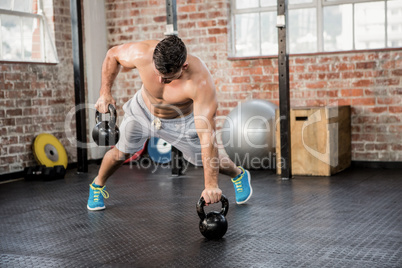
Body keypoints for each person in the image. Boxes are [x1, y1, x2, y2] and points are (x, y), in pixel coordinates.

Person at [87, 35, 252, 211]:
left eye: (168, 78)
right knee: (119, 154)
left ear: (184, 66)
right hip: (142, 109)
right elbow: (112, 55)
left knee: (208, 160)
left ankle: (238, 174)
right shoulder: (142, 53)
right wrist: (105, 92)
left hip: (181, 121)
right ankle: (97, 186)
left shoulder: (200, 82)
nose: (161, 81)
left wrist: (211, 185)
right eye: (158, 74)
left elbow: (207, 137)